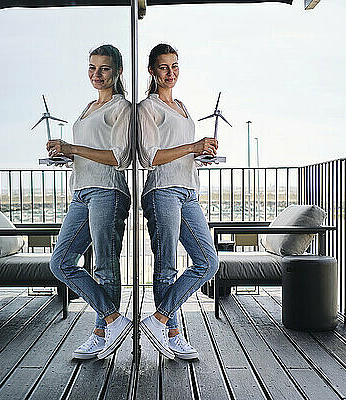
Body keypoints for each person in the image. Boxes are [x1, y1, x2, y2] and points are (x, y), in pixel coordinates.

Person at [48, 44, 132, 360]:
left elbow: (118, 157)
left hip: (108, 191)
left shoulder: (122, 107)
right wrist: (66, 155)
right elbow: (87, 151)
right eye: (92, 68)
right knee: (62, 262)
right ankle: (113, 320)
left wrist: (74, 148)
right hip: (81, 190)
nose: (96, 74)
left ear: (118, 71)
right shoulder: (88, 107)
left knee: (104, 266)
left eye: (104, 68)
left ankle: (101, 333)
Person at [137, 43, 219, 360]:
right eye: (163, 67)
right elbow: (150, 156)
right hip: (162, 190)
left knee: (207, 261)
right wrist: (191, 146)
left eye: (175, 66)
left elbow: (182, 150)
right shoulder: (148, 107)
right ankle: (171, 333)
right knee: (166, 265)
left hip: (188, 189)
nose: (170, 73)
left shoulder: (182, 106)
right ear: (152, 71)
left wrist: (201, 154)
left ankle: (159, 320)